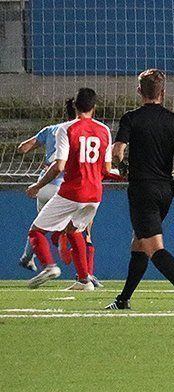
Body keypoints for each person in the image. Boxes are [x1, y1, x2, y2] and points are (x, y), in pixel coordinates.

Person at [105, 69, 174, 310]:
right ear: (164, 92)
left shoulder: (131, 118)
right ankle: (123, 299)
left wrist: (122, 167)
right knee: (139, 243)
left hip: (142, 189)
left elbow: (117, 152)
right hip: (165, 190)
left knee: (152, 246)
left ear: (139, 91)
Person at [25, 88, 112, 291]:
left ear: (75, 106)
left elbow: (59, 166)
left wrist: (38, 185)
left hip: (72, 191)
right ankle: (84, 281)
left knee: (36, 232)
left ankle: (49, 266)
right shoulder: (104, 130)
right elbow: (106, 169)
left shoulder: (66, 129)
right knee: (75, 231)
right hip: (95, 194)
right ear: (95, 107)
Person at [16, 98, 76, 272]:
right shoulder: (80, 131)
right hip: (63, 186)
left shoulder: (50, 130)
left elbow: (23, 147)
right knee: (77, 229)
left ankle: (27, 257)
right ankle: (84, 273)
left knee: (39, 226)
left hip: (43, 185)